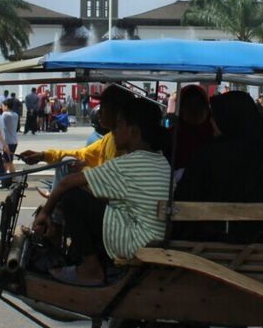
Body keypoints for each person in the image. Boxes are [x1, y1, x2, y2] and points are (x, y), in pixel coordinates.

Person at [32, 97, 170, 285]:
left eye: (118, 126)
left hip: (136, 240)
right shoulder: (159, 159)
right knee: (86, 198)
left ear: (134, 131)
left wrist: (45, 212)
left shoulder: (130, 164)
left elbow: (66, 184)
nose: (113, 131)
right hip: (150, 234)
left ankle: (90, 269)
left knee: (72, 197)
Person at [175, 91, 263, 242]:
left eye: (215, 116)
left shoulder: (207, 155)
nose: (211, 121)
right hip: (260, 241)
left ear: (229, 119)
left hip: (207, 245)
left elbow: (184, 197)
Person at [167, 84, 215, 177]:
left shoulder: (215, 134)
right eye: (189, 105)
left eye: (198, 105)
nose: (195, 110)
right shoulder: (171, 135)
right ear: (181, 109)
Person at [0, 98, 20, 188]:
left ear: (6, 106)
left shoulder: (5, 115)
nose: (2, 107)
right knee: (8, 160)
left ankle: (11, 178)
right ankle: (12, 178)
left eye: (3, 105)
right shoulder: (15, 114)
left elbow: (0, 126)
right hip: (14, 140)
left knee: (7, 161)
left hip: (8, 141)